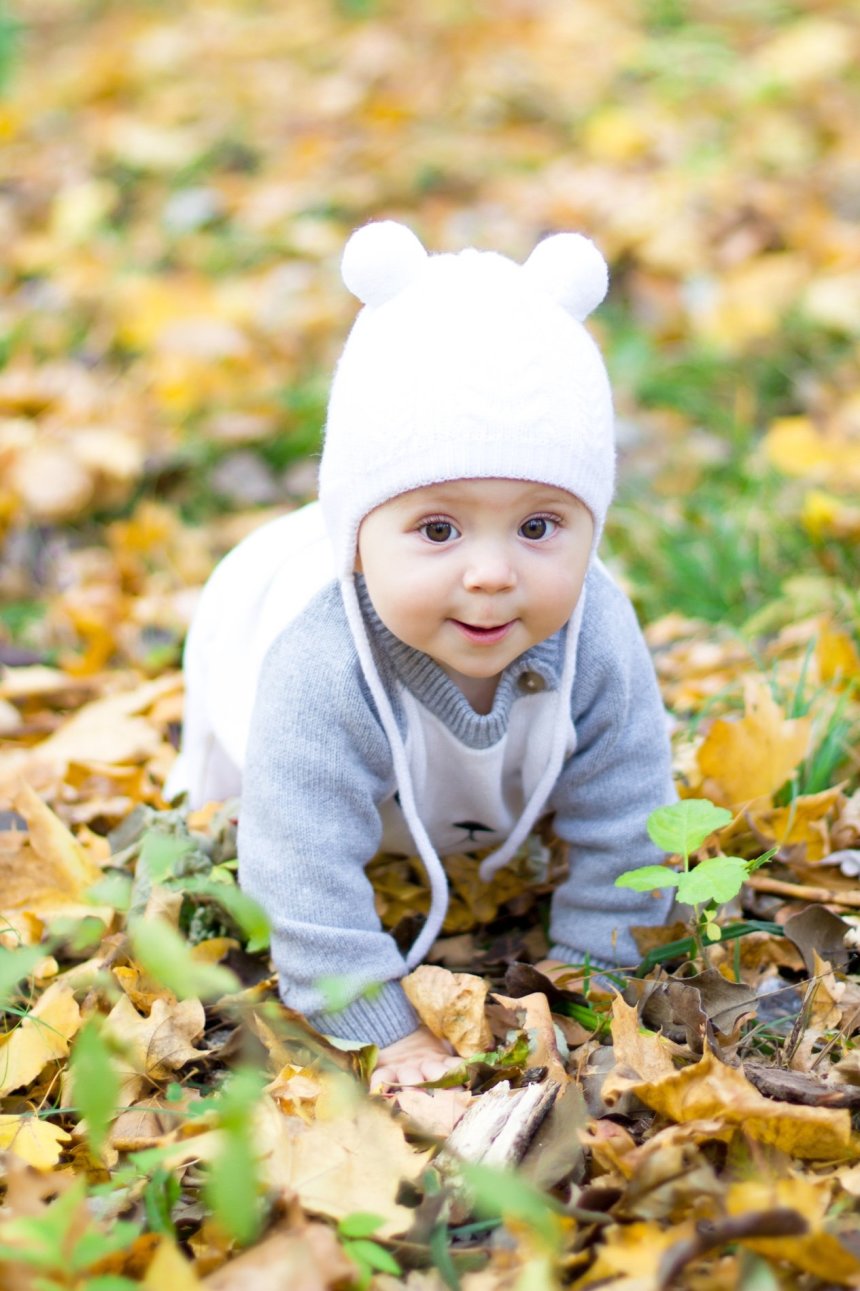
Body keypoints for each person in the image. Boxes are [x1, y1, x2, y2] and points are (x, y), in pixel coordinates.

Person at [166, 220, 676, 1088]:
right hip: (283, 716)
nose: (490, 573)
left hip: (466, 794)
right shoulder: (317, 667)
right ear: (358, 541)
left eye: (539, 525)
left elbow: (630, 809)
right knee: (229, 840)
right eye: (437, 527)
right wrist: (383, 1028)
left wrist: (601, 975)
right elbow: (303, 869)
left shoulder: (597, 632)